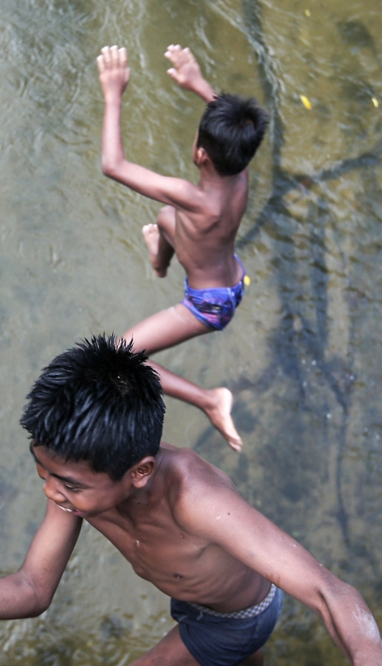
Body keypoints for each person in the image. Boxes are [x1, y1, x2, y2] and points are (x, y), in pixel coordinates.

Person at [0, 337, 382, 666]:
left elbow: (329, 592)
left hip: (239, 613)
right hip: (193, 594)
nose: (52, 493)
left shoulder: (195, 498)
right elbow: (34, 588)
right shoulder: (79, 480)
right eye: (43, 472)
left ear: (140, 472)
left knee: (223, 644)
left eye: (69, 484)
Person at [98, 44, 270, 452]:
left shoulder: (193, 198)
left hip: (207, 304)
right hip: (230, 275)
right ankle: (159, 259)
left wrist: (113, 94)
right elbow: (235, 129)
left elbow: (114, 165)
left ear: (199, 153)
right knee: (164, 218)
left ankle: (210, 400)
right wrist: (199, 84)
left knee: (118, 358)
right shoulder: (240, 174)